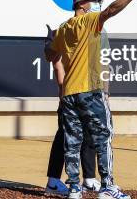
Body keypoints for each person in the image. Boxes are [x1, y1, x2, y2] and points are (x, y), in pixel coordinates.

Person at [45, 0, 137, 199]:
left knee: (72, 141)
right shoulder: (88, 21)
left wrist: (50, 41)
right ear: (83, 4)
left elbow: (50, 54)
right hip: (90, 90)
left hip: (69, 94)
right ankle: (107, 187)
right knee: (103, 137)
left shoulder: (64, 28)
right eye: (95, 1)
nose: (99, 5)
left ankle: (74, 188)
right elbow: (111, 11)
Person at [44, 38, 101, 196]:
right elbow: (56, 64)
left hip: (82, 97)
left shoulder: (82, 46)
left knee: (88, 135)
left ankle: (89, 180)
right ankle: (54, 182)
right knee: (64, 138)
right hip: (70, 99)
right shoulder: (66, 40)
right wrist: (63, 93)